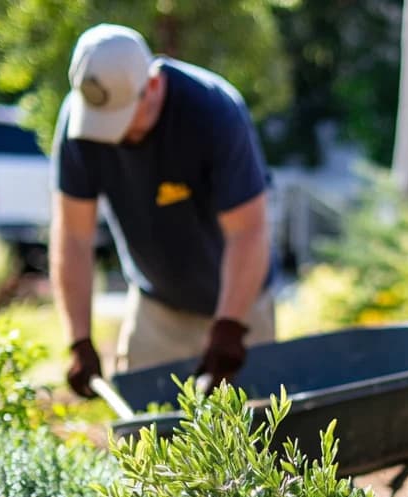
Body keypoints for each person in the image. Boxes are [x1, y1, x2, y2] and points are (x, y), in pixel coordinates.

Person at [50, 23, 275, 397]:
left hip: (242, 303)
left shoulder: (214, 110)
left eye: (123, 119)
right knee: (146, 440)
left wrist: (230, 327)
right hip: (156, 307)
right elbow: (73, 235)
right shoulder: (80, 126)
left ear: (152, 85)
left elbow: (248, 230)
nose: (114, 136)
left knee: (254, 443)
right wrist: (79, 340)